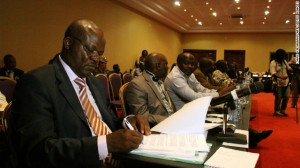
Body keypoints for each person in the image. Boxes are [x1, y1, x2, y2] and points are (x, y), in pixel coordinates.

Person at [11, 19, 150, 168]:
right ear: (68, 43)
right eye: (90, 50)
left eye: (100, 54)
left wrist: (129, 121)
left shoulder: (93, 81)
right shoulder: (37, 83)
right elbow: (38, 151)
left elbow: (108, 120)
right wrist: (105, 145)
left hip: (120, 159)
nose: (96, 59)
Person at [164, 52, 232, 111]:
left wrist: (218, 92)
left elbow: (201, 89)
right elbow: (193, 96)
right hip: (180, 114)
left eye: (192, 64)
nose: (190, 66)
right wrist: (219, 94)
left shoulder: (189, 73)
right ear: (178, 63)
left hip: (191, 109)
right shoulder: (175, 77)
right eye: (186, 63)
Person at [125, 52, 175, 127]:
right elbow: (142, 117)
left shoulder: (159, 80)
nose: (167, 67)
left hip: (173, 121)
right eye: (165, 64)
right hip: (158, 127)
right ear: (158, 66)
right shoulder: (137, 85)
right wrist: (169, 120)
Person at [270, 49, 293, 116]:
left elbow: (289, 69)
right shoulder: (273, 62)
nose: (283, 57)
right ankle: (277, 111)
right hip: (278, 81)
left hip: (286, 81)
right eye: (282, 55)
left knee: (287, 96)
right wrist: (276, 81)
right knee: (278, 97)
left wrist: (292, 69)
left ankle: (283, 110)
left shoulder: (284, 61)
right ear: (279, 55)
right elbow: (273, 73)